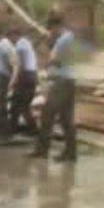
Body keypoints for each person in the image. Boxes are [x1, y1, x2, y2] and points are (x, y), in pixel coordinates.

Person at [30, 15, 79, 163]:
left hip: (62, 81)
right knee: (66, 119)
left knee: (47, 114)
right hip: (69, 80)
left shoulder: (64, 39)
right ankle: (71, 152)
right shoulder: (71, 38)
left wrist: (47, 62)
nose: (51, 32)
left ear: (56, 26)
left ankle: (42, 150)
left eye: (51, 29)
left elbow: (58, 60)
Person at [7, 27, 39, 135]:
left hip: (25, 76)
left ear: (14, 35)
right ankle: (15, 127)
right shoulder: (26, 43)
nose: (10, 41)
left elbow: (21, 64)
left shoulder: (20, 44)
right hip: (31, 75)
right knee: (21, 104)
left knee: (19, 103)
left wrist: (15, 80)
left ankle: (27, 128)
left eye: (10, 37)